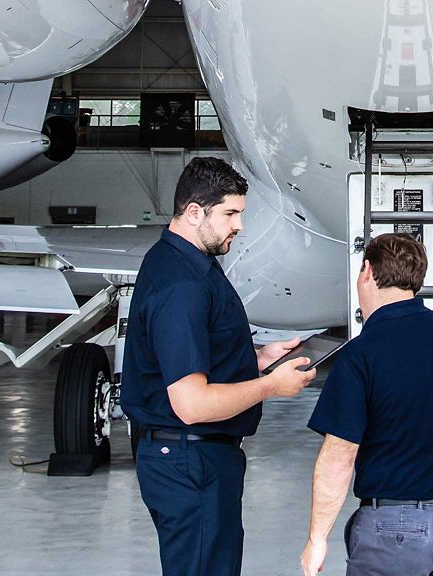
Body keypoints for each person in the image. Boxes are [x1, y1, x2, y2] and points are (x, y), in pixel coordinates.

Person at [122, 156, 317, 576]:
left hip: (194, 458)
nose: (239, 226)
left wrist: (256, 360)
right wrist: (270, 386)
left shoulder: (185, 264)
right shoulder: (183, 286)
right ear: (194, 213)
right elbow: (191, 404)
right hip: (191, 461)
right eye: (230, 213)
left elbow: (188, 351)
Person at [299, 233, 433, 576]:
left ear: (367, 272)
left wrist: (317, 538)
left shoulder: (361, 354)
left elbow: (340, 456)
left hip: (396, 528)